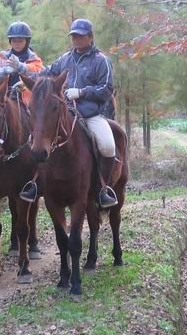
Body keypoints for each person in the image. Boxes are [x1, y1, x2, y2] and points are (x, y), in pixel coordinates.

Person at [19, 18, 118, 208]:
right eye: (74, 36)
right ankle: (36, 183)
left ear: (90, 37)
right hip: (63, 112)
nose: (76, 40)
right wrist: (24, 81)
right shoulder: (65, 59)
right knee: (37, 139)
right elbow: (46, 72)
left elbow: (106, 89)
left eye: (80, 36)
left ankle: (102, 189)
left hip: (90, 114)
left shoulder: (101, 61)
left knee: (107, 145)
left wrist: (82, 92)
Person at [0, 22, 44, 104]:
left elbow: (40, 72)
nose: (17, 44)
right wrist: (4, 70)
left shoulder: (34, 59)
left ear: (26, 41)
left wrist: (21, 67)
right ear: (10, 41)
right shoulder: (2, 58)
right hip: (5, 99)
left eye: (20, 41)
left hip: (28, 101)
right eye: (14, 41)